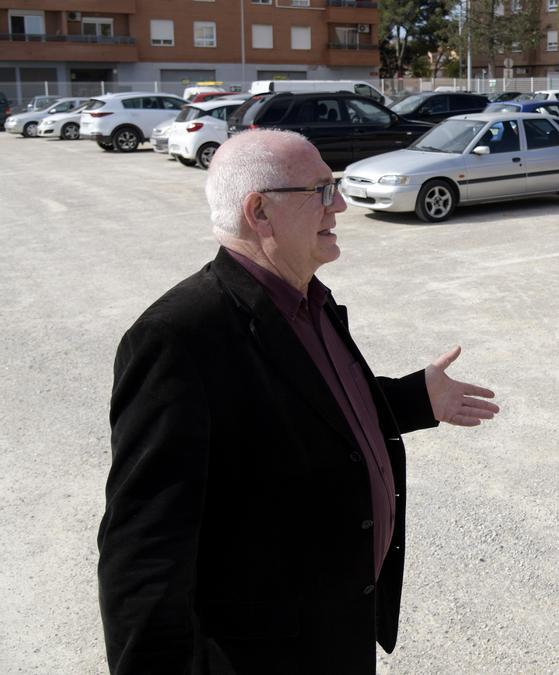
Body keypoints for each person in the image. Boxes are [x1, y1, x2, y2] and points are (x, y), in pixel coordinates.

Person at [98, 129, 500, 674]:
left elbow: (304, 411)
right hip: (263, 656)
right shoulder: (178, 338)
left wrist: (411, 399)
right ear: (259, 211)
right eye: (319, 189)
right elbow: (143, 552)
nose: (338, 203)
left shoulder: (309, 299)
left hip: (335, 636)